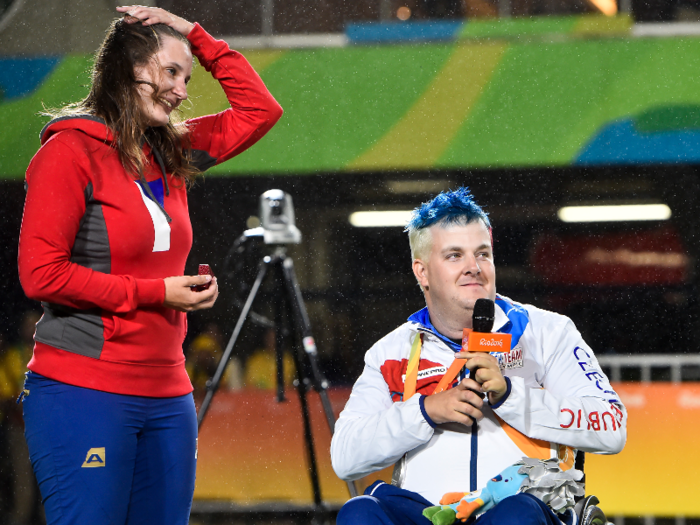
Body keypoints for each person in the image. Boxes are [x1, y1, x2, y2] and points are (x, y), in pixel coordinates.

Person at [17, 6, 282, 525]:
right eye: (170, 72)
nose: (183, 89)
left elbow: (259, 111)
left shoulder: (171, 151)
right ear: (125, 71)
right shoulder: (69, 153)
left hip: (168, 392)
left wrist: (192, 35)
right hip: (83, 388)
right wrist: (156, 292)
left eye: (186, 76)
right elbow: (41, 274)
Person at [330, 188, 627, 525]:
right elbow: (345, 458)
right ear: (422, 272)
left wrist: (511, 397)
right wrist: (425, 411)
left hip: (518, 508)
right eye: (455, 255)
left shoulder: (546, 332)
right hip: (431, 515)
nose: (473, 267)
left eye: (482, 254)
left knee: (517, 515)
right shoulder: (390, 352)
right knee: (359, 512)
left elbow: (611, 428)